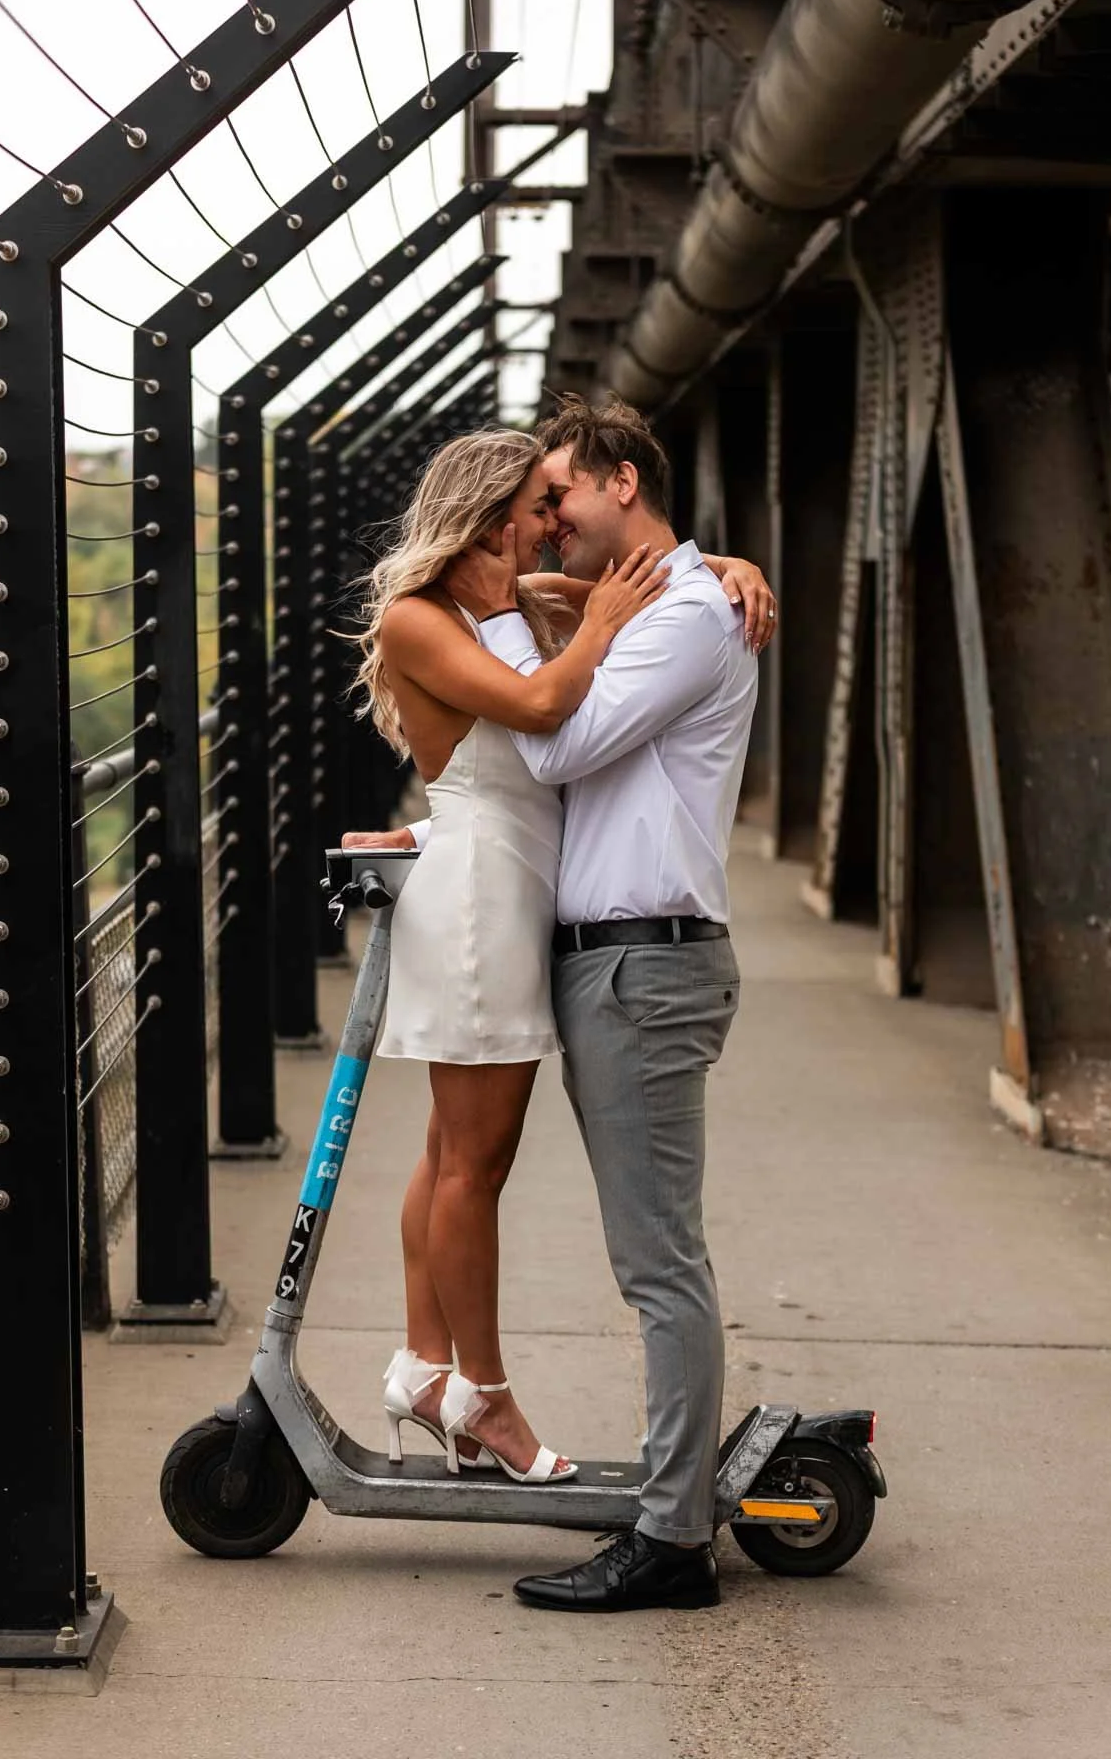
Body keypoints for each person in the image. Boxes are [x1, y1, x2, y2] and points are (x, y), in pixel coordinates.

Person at [346, 423, 773, 1493]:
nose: (552, 519)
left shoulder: (516, 603)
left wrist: (717, 569)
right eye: (540, 502)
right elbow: (543, 711)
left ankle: (422, 1362)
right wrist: (592, 613)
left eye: (560, 495)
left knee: (453, 1152)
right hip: (487, 897)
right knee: (470, 1163)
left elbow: (657, 604)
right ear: (495, 512)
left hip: (507, 884)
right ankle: (477, 1393)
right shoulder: (432, 617)